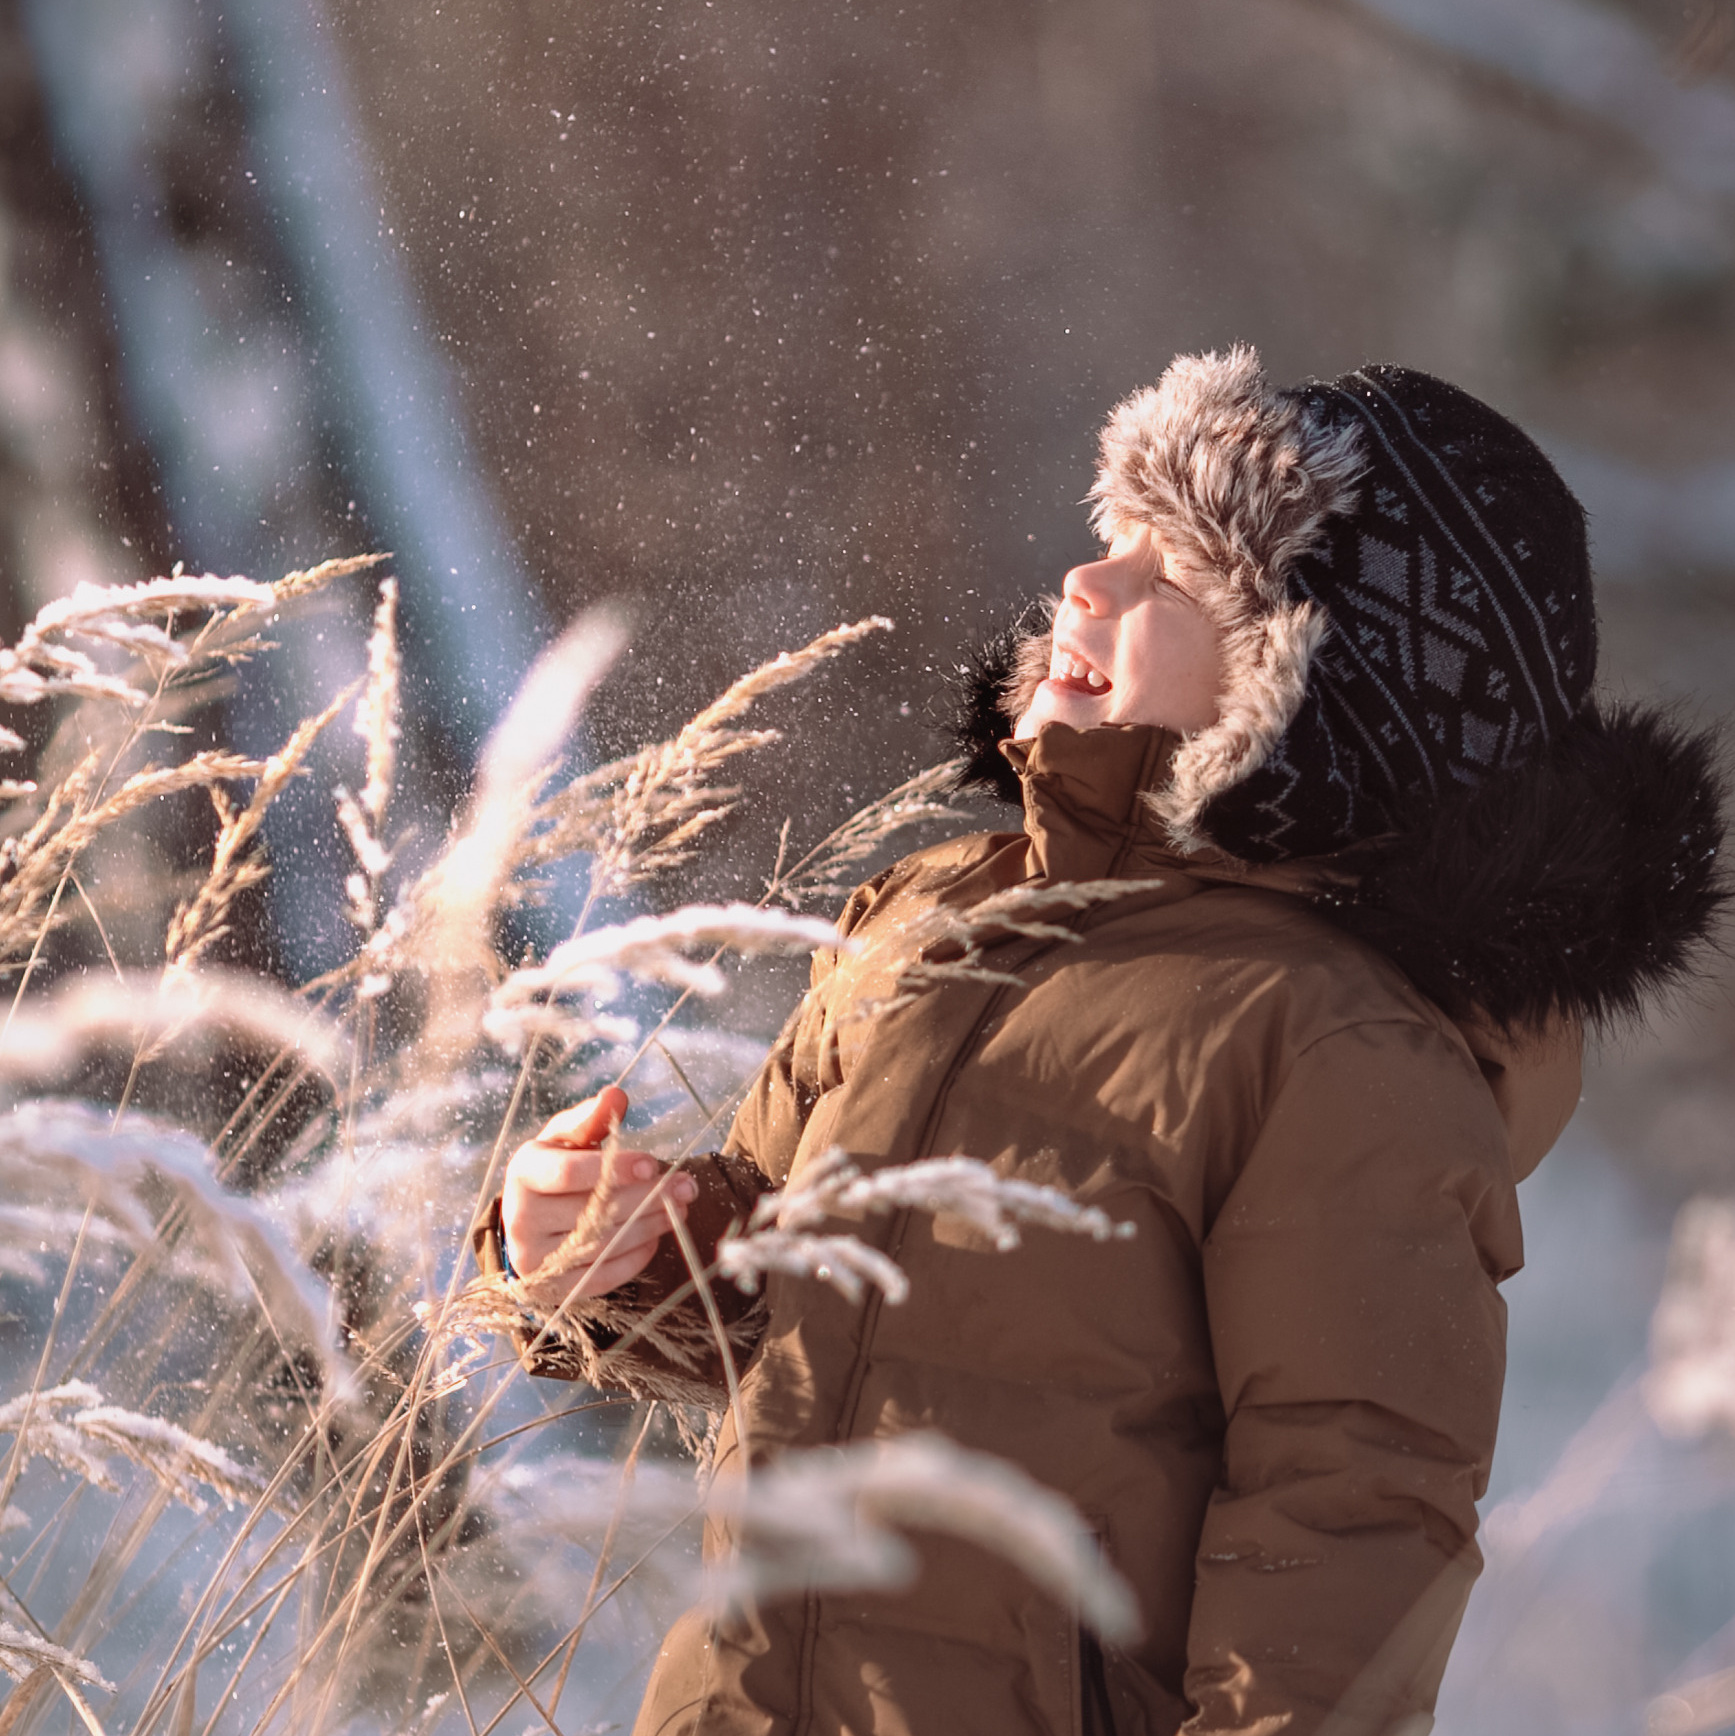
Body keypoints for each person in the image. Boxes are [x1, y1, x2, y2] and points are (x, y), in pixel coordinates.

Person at [477, 347, 1727, 1736]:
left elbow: (1351, 1518)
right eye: (1111, 537)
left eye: (1176, 578)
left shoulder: (1333, 1052)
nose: (1090, 583)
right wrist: (630, 1253)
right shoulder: (933, 917)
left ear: (1322, 693)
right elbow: (788, 1314)